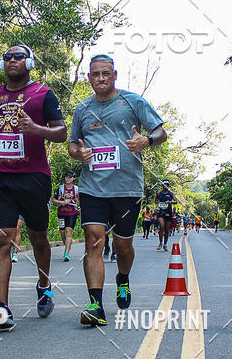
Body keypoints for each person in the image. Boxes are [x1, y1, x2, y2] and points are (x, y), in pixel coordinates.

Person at [68, 54, 166, 326]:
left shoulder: (133, 102)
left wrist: (146, 140)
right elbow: (72, 145)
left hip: (127, 188)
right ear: (89, 77)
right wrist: (79, 154)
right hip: (92, 187)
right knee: (94, 241)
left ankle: (123, 277)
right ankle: (95, 305)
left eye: (106, 73)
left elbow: (160, 132)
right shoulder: (82, 109)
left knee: (123, 245)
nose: (100, 78)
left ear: (114, 75)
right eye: (95, 74)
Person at [0, 44, 66, 331]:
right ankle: (1, 308)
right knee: (2, 238)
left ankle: (43, 284)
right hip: (1, 176)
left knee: (38, 238)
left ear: (29, 61)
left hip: (34, 176)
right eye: (8, 57)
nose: (12, 60)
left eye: (18, 56)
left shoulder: (43, 94)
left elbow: (61, 132)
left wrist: (37, 130)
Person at [52, 171, 79, 261]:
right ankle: (66, 247)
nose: (68, 179)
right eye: (66, 177)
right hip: (61, 213)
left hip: (72, 213)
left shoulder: (77, 189)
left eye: (70, 177)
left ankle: (66, 254)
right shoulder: (60, 188)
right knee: (63, 234)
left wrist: (80, 208)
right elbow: (54, 201)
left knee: (68, 232)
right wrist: (62, 202)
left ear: (73, 179)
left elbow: (81, 200)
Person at [156, 179, 177, 251]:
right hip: (161, 212)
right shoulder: (159, 193)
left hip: (168, 213)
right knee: (161, 226)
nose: (166, 186)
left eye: (167, 185)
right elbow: (155, 201)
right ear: (162, 185)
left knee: (167, 230)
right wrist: (157, 201)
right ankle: (160, 243)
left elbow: (176, 201)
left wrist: (170, 202)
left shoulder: (171, 193)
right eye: (165, 184)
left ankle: (165, 244)